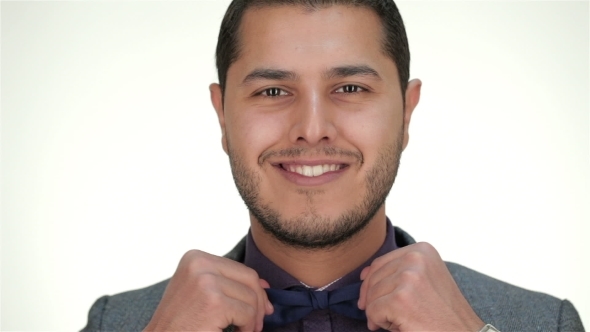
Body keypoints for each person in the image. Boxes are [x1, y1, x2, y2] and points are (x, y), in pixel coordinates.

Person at [82, 0, 585, 331]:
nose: (313, 128)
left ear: (407, 113)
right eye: (273, 91)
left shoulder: (545, 323)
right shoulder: (117, 323)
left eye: (350, 89)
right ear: (222, 116)